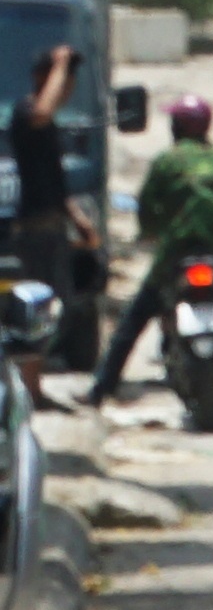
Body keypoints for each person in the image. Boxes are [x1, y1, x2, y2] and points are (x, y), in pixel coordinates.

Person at [88, 98, 213, 427]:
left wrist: (151, 233)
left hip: (175, 257)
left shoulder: (167, 162)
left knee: (132, 325)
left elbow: (148, 211)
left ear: (177, 128)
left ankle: (99, 391)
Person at [9, 47, 93, 406]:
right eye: (64, 80)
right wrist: (59, 64)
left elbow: (55, 183)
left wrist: (79, 220)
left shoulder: (47, 124)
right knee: (40, 308)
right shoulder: (27, 112)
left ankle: (33, 387)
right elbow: (44, 108)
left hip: (53, 227)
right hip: (35, 231)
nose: (68, 87)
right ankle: (29, 390)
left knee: (60, 307)